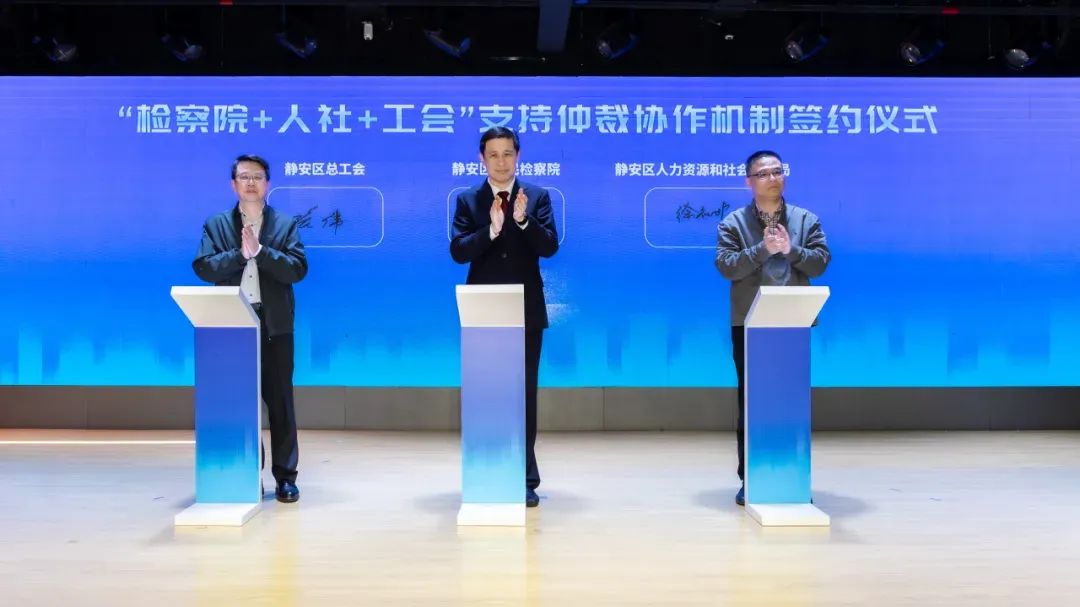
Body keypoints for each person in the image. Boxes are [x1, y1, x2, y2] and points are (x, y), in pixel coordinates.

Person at [450, 127, 559, 508]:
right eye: (493, 155)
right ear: (482, 158)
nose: (501, 162)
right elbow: (458, 251)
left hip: (526, 310)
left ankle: (525, 478)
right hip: (483, 311)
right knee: (487, 393)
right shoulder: (468, 200)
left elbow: (550, 246)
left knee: (523, 394)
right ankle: (487, 470)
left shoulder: (536, 196)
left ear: (518, 156)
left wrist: (524, 221)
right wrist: (491, 230)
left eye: (508, 154)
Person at [715, 150, 831, 506]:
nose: (772, 178)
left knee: (791, 400)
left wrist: (791, 250)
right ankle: (751, 478)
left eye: (777, 171)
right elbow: (727, 267)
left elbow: (820, 263)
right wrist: (763, 249)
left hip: (794, 321)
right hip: (749, 323)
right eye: (763, 174)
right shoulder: (733, 223)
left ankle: (791, 477)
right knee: (752, 401)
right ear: (749, 181)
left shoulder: (805, 219)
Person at [193, 154, 308, 503]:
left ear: (267, 183)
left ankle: (285, 478)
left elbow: (297, 269)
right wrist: (240, 255)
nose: (251, 182)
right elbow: (204, 267)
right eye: (244, 176)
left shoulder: (284, 224)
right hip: (234, 325)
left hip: (275, 325)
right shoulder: (216, 224)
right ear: (233, 184)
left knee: (281, 404)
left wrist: (261, 252)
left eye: (257, 176)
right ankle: (247, 474)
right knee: (240, 403)